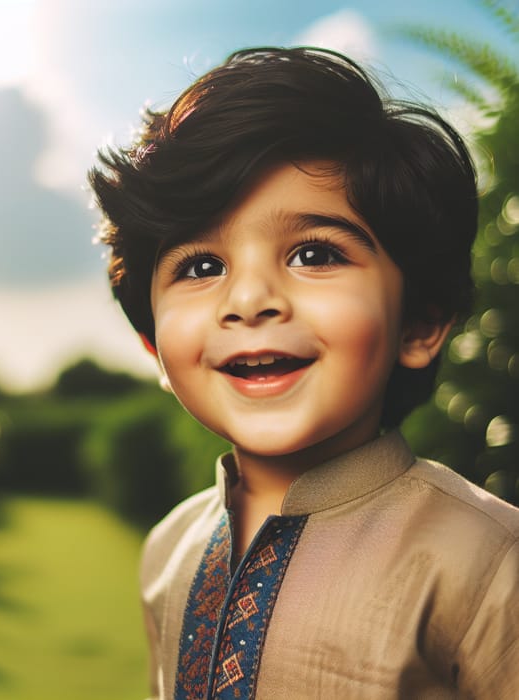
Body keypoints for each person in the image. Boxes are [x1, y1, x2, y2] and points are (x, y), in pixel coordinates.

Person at [88, 47, 519, 699]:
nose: (249, 299)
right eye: (202, 267)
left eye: (314, 253)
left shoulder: (488, 562)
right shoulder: (169, 548)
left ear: (420, 324)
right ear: (155, 348)